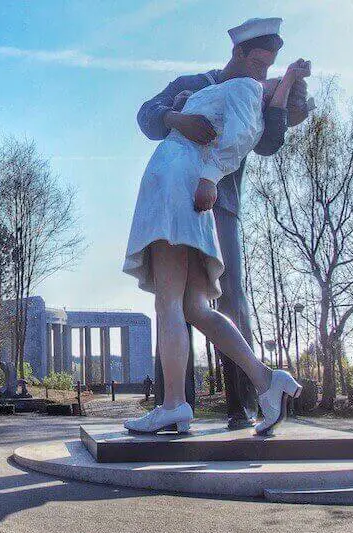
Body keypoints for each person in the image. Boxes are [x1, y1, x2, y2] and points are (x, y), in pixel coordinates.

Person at [132, 17, 311, 429]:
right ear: (238, 52)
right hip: (181, 192)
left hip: (217, 203)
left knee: (222, 298)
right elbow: (147, 115)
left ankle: (239, 405)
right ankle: (177, 398)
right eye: (258, 62)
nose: (261, 71)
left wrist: (285, 100)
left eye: (269, 67)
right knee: (184, 303)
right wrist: (177, 119)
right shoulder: (192, 83)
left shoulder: (254, 92)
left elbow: (266, 141)